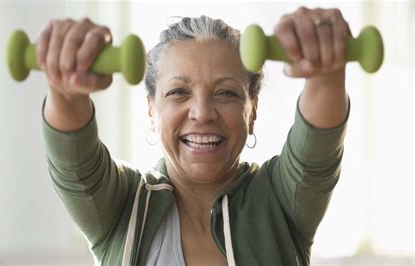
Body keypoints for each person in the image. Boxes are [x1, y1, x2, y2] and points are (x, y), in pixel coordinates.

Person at [38, 6, 350, 266]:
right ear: (151, 110)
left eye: (226, 93)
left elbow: (318, 145)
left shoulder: (280, 200)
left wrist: (327, 71)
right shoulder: (122, 203)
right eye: (178, 92)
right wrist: (65, 90)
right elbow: (74, 162)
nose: (202, 112)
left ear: (252, 110)